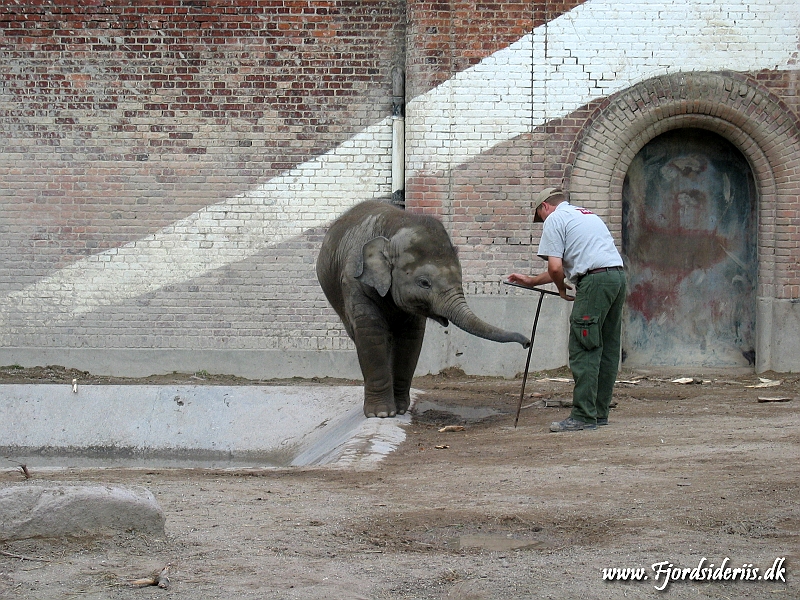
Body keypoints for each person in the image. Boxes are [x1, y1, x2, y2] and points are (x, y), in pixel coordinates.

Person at [507, 187, 626, 432]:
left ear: (544, 207)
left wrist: (561, 289)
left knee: (585, 346)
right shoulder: (586, 215)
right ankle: (598, 413)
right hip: (616, 278)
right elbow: (562, 268)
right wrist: (530, 280)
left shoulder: (555, 219)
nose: (542, 222)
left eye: (540, 217)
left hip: (593, 283)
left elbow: (555, 268)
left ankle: (583, 416)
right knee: (607, 347)